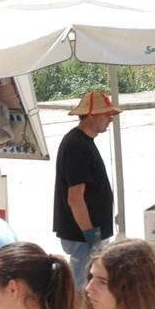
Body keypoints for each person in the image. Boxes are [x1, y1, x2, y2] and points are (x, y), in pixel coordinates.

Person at [54, 90, 119, 290]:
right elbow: (75, 198)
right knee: (83, 290)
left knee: (87, 288)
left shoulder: (83, 141)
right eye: (106, 114)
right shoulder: (77, 145)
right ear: (91, 115)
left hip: (86, 234)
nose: (110, 119)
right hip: (83, 236)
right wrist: (91, 234)